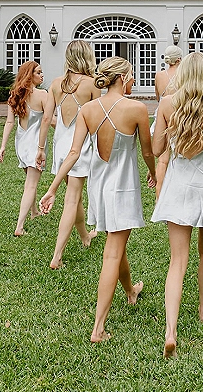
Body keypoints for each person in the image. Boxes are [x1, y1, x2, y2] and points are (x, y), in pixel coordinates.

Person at [39, 57, 156, 343]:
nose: (134, 80)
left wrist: (53, 187)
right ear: (122, 77)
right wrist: (155, 176)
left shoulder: (89, 110)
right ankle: (98, 328)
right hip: (123, 187)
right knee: (112, 252)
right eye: (131, 75)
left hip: (99, 189)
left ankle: (130, 291)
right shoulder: (137, 109)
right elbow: (147, 152)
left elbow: (74, 153)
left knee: (117, 243)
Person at [151, 51, 203, 359]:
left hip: (177, 186)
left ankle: (171, 330)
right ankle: (202, 310)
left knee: (177, 261)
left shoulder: (167, 104)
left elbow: (157, 148)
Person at [36, 40, 100, 269]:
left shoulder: (55, 84)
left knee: (76, 197)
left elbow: (46, 119)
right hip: (79, 149)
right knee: (72, 198)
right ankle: (57, 256)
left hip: (60, 148)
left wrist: (41, 149)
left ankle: (84, 236)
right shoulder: (92, 84)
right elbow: (99, 120)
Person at [0, 61, 49, 236]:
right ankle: (19, 226)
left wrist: (3, 146)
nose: (42, 75)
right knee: (31, 185)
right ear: (30, 75)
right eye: (39, 72)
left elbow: (9, 122)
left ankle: (34, 211)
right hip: (35, 144)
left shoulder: (15, 95)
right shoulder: (43, 95)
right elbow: (49, 120)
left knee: (30, 180)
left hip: (21, 143)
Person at [152, 45, 183, 196]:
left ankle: (159, 198)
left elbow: (158, 97)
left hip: (162, 115)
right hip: (180, 115)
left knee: (162, 160)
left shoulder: (159, 75)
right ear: (179, 59)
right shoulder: (184, 74)